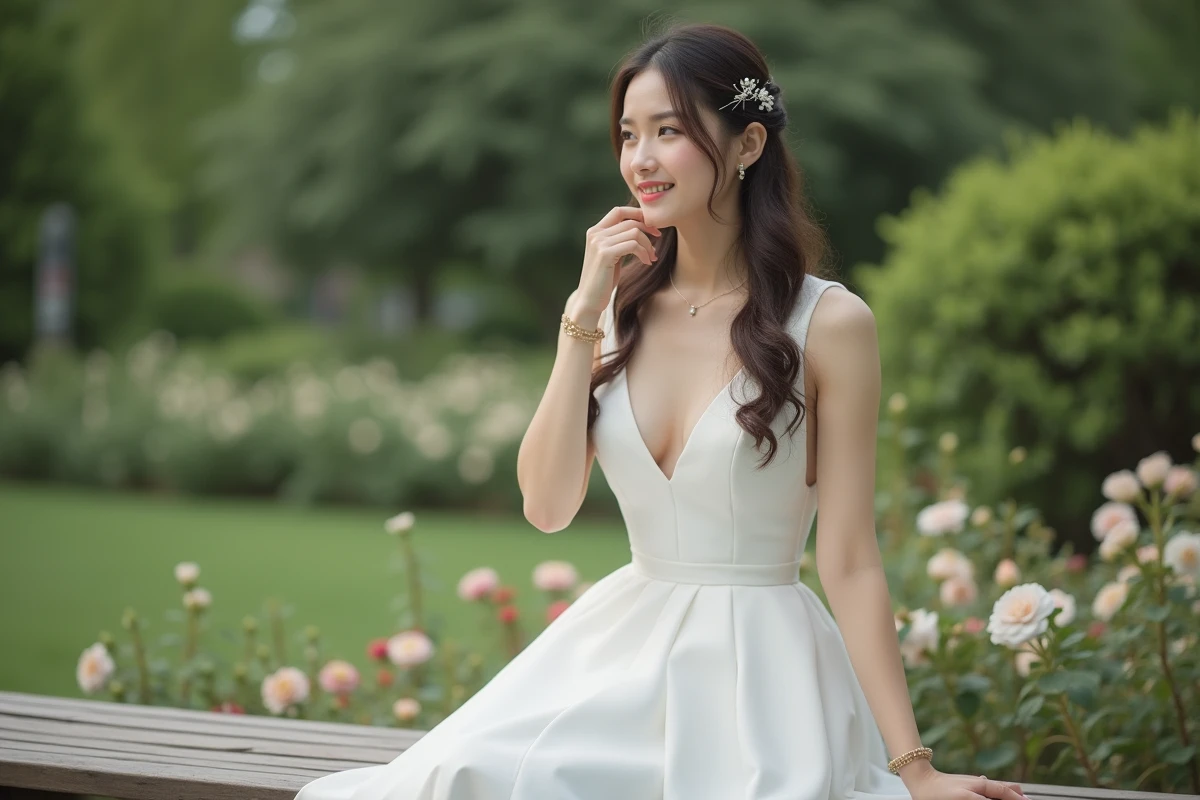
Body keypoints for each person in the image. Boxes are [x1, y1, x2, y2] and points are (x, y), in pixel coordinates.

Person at [295, 21, 1030, 800]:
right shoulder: (613, 315)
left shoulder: (831, 324)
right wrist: (583, 310)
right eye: (628, 135)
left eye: (669, 131)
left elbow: (849, 559)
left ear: (747, 145)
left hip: (763, 679)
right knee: (456, 780)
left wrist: (916, 770)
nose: (639, 159)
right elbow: (546, 507)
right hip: (619, 657)